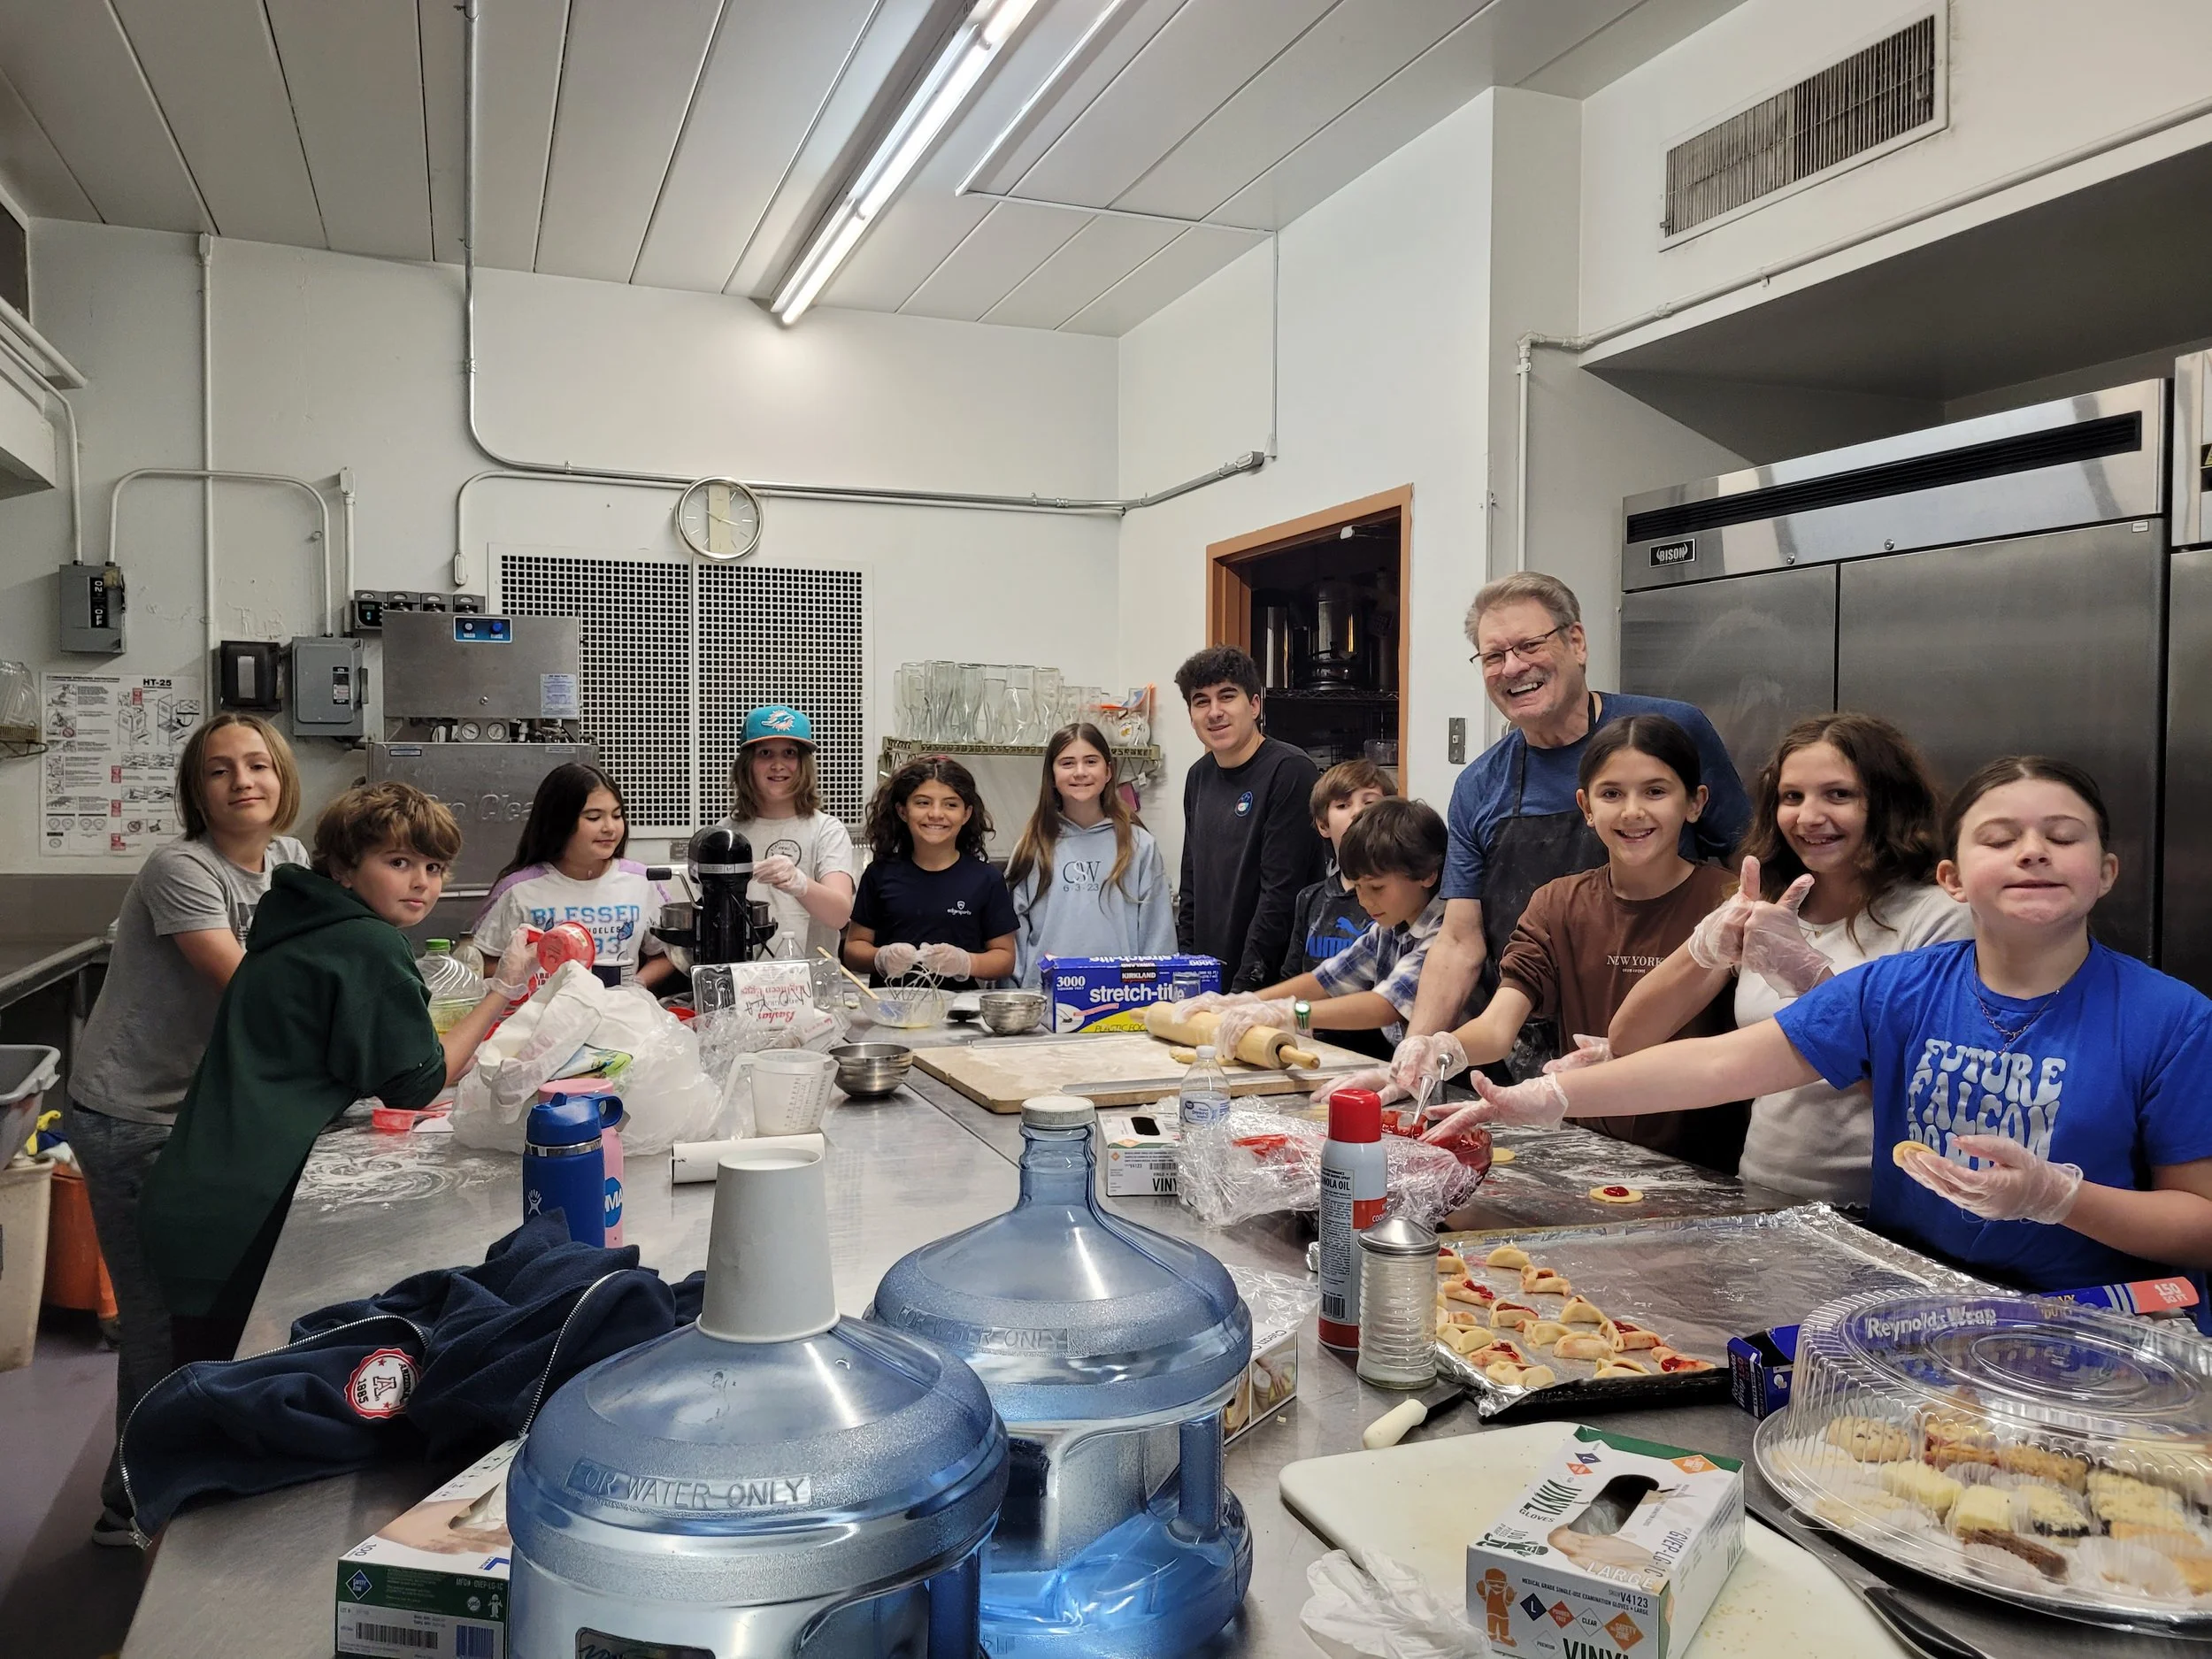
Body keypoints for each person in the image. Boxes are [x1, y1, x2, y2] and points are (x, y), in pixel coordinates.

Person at [1440, 757, 2212, 1323]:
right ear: (1952, 875)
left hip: (2090, 1322)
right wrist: (1544, 1095)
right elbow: (1720, 1064)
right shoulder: (1900, 986)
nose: (2033, 851)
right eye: (2001, 837)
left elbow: (2200, 1225)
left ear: (2105, 871)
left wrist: (2058, 1197)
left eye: (2062, 837)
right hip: (1919, 1304)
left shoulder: (2170, 1019)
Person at [140, 784, 531, 1371]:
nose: (422, 881)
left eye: (434, 866)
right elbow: (418, 1082)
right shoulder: (367, 943)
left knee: (196, 1370)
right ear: (346, 868)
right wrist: (502, 990)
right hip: (242, 1211)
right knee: (228, 1394)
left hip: (198, 1190)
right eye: (399, 862)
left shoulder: (297, 920)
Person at [62, 712, 308, 1548]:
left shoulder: (290, 860)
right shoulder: (181, 868)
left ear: (282, 778)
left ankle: (169, 1469)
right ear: (194, 791)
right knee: (161, 1315)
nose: (242, 782)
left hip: (204, 1114)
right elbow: (248, 990)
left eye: (257, 765)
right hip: (130, 1114)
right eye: (218, 770)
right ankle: (126, 1504)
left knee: (211, 1309)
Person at [1609, 713, 1973, 1203]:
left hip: (1880, 1209)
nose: (1808, 817)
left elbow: (1920, 1098)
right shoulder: (1773, 905)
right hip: (1763, 1192)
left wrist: (1815, 982)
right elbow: (1632, 1038)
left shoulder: (1937, 917)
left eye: (1839, 795)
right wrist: (1704, 948)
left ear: (1887, 803)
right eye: (1792, 797)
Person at [1402, 572, 1751, 1072]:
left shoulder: (1672, 731)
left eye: (1528, 645)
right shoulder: (1479, 785)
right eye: (1494, 656)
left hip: (1675, 1037)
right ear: (1588, 806)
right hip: (1525, 1043)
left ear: (1577, 642)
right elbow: (1459, 940)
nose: (1513, 667)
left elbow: (1750, 860)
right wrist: (1418, 1049)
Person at [1390, 716, 1750, 1174]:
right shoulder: (1559, 904)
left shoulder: (1728, 902)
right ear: (1585, 806)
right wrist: (1439, 1047)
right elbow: (1499, 1027)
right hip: (1590, 1154)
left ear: (1695, 802)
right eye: (1612, 793)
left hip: (1705, 1165)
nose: (1632, 811)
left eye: (1656, 792)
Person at [1204, 797, 1447, 1057]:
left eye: (1376, 887)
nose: (1364, 901)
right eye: (1358, 888)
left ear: (1427, 874)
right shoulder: (1390, 928)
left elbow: (1386, 1005)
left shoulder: (1445, 932)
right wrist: (1246, 1001)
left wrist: (1292, 1013)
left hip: (1457, 1076)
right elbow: (1326, 979)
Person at [1174, 645, 1326, 992]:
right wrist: (1188, 969)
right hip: (1209, 981)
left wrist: (1244, 988)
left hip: (1270, 984)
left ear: (1254, 704)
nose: (1215, 712)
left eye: (1227, 697)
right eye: (1201, 701)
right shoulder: (1198, 777)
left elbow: (1281, 894)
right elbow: (1191, 883)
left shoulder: (1290, 771)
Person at [474, 762, 673, 989]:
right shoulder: (519, 889)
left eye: (617, 815)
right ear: (559, 822)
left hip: (618, 1015)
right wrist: (524, 981)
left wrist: (637, 983)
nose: (610, 827)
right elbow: (481, 962)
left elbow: (667, 953)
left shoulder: (641, 881)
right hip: (541, 1017)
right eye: (594, 817)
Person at [1007, 721, 1175, 985]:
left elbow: (1159, 937)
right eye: (1067, 763)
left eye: (1091, 761)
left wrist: (1154, 999)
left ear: (1108, 771)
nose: (1080, 772)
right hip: (1044, 1004)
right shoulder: (1032, 847)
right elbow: (1013, 941)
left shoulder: (1140, 846)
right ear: (1051, 775)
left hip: (1122, 1000)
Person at [846, 755, 1017, 992]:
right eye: (923, 803)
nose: (936, 814)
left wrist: (965, 962)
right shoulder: (880, 874)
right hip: (891, 1009)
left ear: (966, 814)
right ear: (903, 811)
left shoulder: (986, 879)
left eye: (950, 804)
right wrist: (881, 957)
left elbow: (1005, 959)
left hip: (961, 1014)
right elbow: (853, 949)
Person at [718, 704, 856, 961]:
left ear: (803, 764)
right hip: (744, 981)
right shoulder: (727, 833)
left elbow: (839, 915)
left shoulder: (826, 830)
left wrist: (799, 883)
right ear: (747, 763)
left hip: (810, 986)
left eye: (789, 753)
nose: (778, 765)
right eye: (766, 753)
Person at [1279, 759, 1394, 980]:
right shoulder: (1310, 899)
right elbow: (1292, 976)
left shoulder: (1399, 896)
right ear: (1323, 825)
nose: (1358, 812)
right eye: (1343, 805)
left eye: (1369, 803)